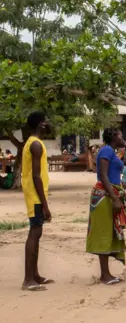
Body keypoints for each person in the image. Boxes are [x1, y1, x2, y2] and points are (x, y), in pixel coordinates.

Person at [86, 128, 126, 285]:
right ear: (115, 137)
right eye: (121, 135)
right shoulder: (106, 150)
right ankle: (105, 274)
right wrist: (114, 197)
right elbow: (103, 175)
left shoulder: (112, 151)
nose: (123, 137)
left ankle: (106, 273)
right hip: (105, 196)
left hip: (110, 194)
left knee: (109, 231)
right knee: (103, 232)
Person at [21, 112, 53, 291]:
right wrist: (45, 205)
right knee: (34, 233)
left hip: (35, 196)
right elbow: (36, 176)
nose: (48, 125)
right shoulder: (35, 145)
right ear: (40, 124)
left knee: (37, 234)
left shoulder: (33, 143)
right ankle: (28, 279)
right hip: (35, 197)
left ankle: (35, 275)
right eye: (46, 122)